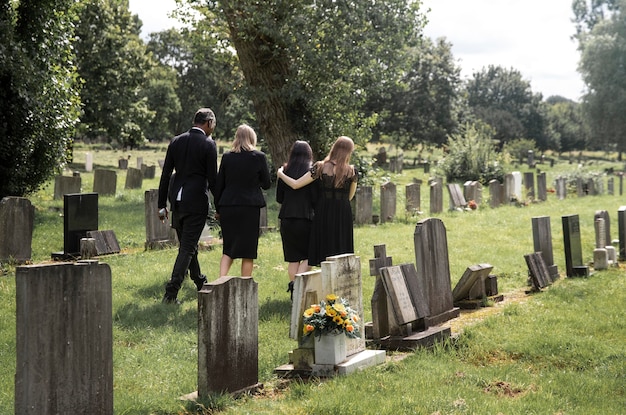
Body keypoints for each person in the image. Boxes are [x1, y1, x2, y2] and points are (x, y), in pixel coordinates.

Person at [158, 108, 218, 304]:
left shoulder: (176, 141)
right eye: (213, 124)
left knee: (188, 246)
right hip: (195, 202)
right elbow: (213, 179)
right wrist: (220, 206)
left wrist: (161, 205)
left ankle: (200, 282)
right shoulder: (209, 144)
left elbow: (166, 174)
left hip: (177, 201)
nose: (213, 128)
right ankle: (171, 293)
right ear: (208, 122)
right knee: (187, 248)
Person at [277, 136, 357, 267]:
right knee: (341, 248)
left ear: (334, 148)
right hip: (343, 213)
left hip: (324, 211)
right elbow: (350, 196)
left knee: (323, 249)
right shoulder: (352, 171)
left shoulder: (320, 167)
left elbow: (296, 184)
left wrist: (281, 174)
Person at [214, 124, 271, 277]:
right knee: (248, 250)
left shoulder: (227, 157)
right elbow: (267, 183)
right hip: (249, 207)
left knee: (228, 248)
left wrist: (218, 209)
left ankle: (221, 280)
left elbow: (219, 185)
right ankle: (245, 284)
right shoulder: (259, 157)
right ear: (252, 138)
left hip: (228, 206)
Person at [276, 141, 315, 298]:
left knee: (293, 258)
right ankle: (298, 289)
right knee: (310, 256)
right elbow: (315, 198)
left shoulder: (284, 170)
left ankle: (294, 288)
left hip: (287, 218)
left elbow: (279, 198)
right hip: (306, 218)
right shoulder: (312, 171)